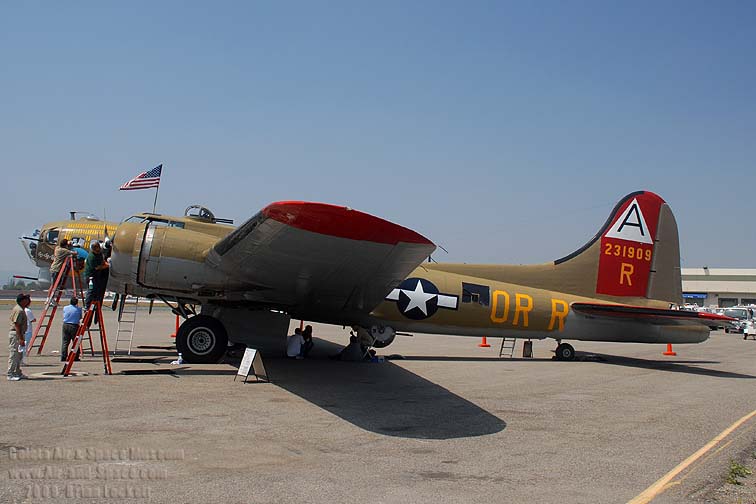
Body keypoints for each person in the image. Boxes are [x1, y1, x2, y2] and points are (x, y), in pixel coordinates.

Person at [8, 293, 31, 381]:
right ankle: (10, 373)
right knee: (14, 354)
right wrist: (21, 338)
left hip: (20, 333)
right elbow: (17, 324)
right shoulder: (19, 310)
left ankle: (17, 372)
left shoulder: (22, 309)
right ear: (22, 301)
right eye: (26, 299)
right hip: (16, 334)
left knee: (19, 355)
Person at [84, 240, 109, 309]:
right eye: (96, 249)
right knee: (91, 290)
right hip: (90, 276)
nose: (98, 250)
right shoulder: (92, 257)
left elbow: (102, 261)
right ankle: (87, 306)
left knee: (97, 290)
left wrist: (106, 263)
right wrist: (108, 266)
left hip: (97, 276)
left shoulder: (99, 253)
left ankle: (95, 303)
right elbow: (97, 267)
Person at [61, 297, 82, 362]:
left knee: (65, 342)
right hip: (74, 325)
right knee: (75, 342)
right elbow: (80, 317)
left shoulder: (65, 308)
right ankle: (75, 356)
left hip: (65, 324)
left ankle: (63, 356)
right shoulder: (78, 309)